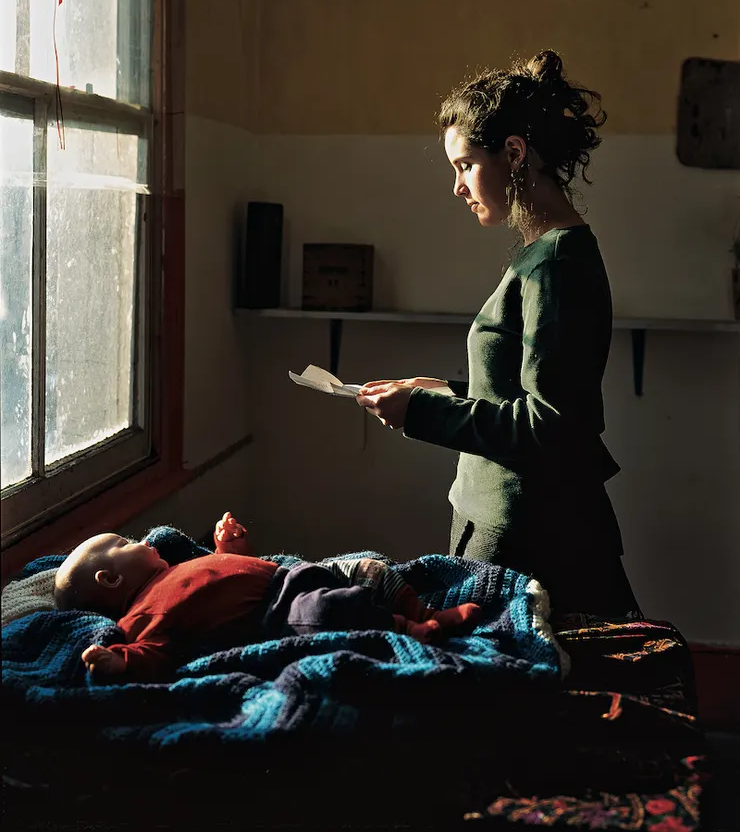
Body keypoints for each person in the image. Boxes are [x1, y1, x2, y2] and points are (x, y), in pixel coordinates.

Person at [356, 50, 639, 619]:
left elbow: (551, 425)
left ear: (514, 152)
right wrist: (443, 391)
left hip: (528, 531)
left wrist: (423, 414)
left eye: (463, 164)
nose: (457, 186)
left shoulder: (559, 262)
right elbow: (522, 388)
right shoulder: (539, 255)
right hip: (494, 511)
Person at [53, 512, 482, 682]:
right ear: (111, 579)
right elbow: (151, 655)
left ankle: (425, 611)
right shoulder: (143, 616)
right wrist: (115, 661)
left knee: (369, 569)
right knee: (335, 609)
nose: (143, 541)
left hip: (291, 575)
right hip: (281, 612)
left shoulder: (179, 566)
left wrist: (229, 551)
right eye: (128, 542)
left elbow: (227, 575)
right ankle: (413, 631)